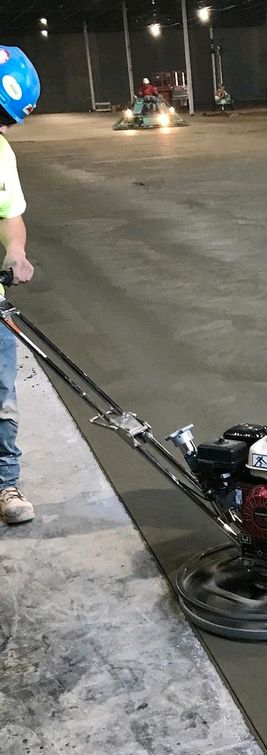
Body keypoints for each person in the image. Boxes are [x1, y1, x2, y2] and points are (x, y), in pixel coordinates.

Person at [0, 46, 39, 525]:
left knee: (1, 397)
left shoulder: (1, 151)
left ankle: (5, 486)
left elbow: (12, 215)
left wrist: (15, 251)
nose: (6, 127)